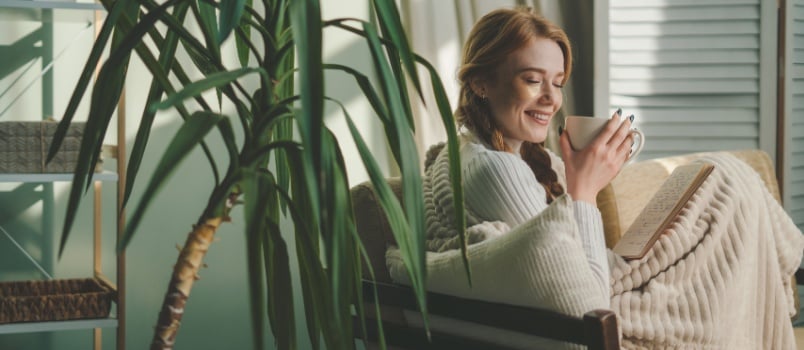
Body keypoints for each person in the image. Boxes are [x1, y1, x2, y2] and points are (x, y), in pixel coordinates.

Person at [414, 6, 804, 349]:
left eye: (558, 83)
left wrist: (583, 177)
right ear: (481, 83)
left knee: (716, 181)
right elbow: (586, 300)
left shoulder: (501, 155)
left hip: (604, 282)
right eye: (533, 80)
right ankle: (791, 260)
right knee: (725, 179)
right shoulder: (495, 169)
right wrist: (584, 187)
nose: (551, 98)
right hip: (603, 313)